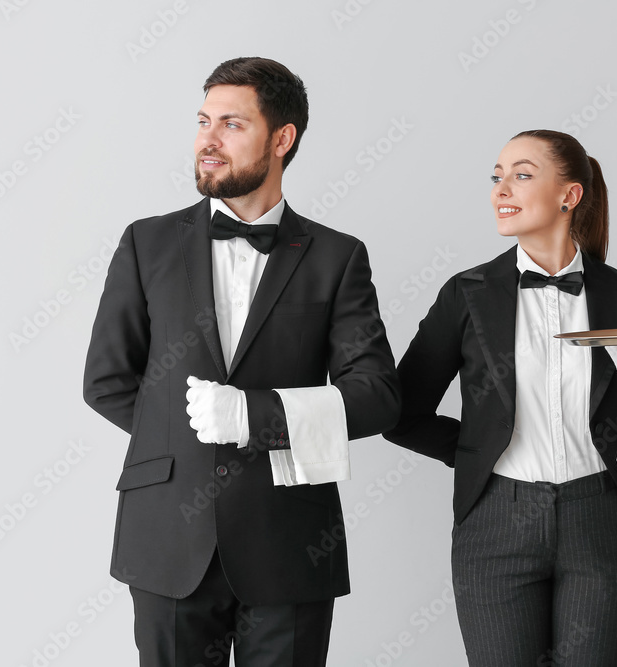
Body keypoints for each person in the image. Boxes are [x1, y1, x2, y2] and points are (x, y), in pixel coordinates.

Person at [83, 57, 400, 667]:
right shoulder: (145, 243)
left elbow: (377, 394)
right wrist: (186, 444)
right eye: (203, 121)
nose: (208, 139)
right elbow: (106, 381)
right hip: (168, 533)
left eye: (231, 124)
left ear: (282, 139)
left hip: (291, 538)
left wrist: (256, 420)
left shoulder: (337, 257)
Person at [383, 129, 617, 666]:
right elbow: (399, 414)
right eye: (497, 177)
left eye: (522, 175)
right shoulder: (465, 293)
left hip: (602, 523)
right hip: (495, 524)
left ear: (570, 196)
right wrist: (477, 450)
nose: (502, 188)